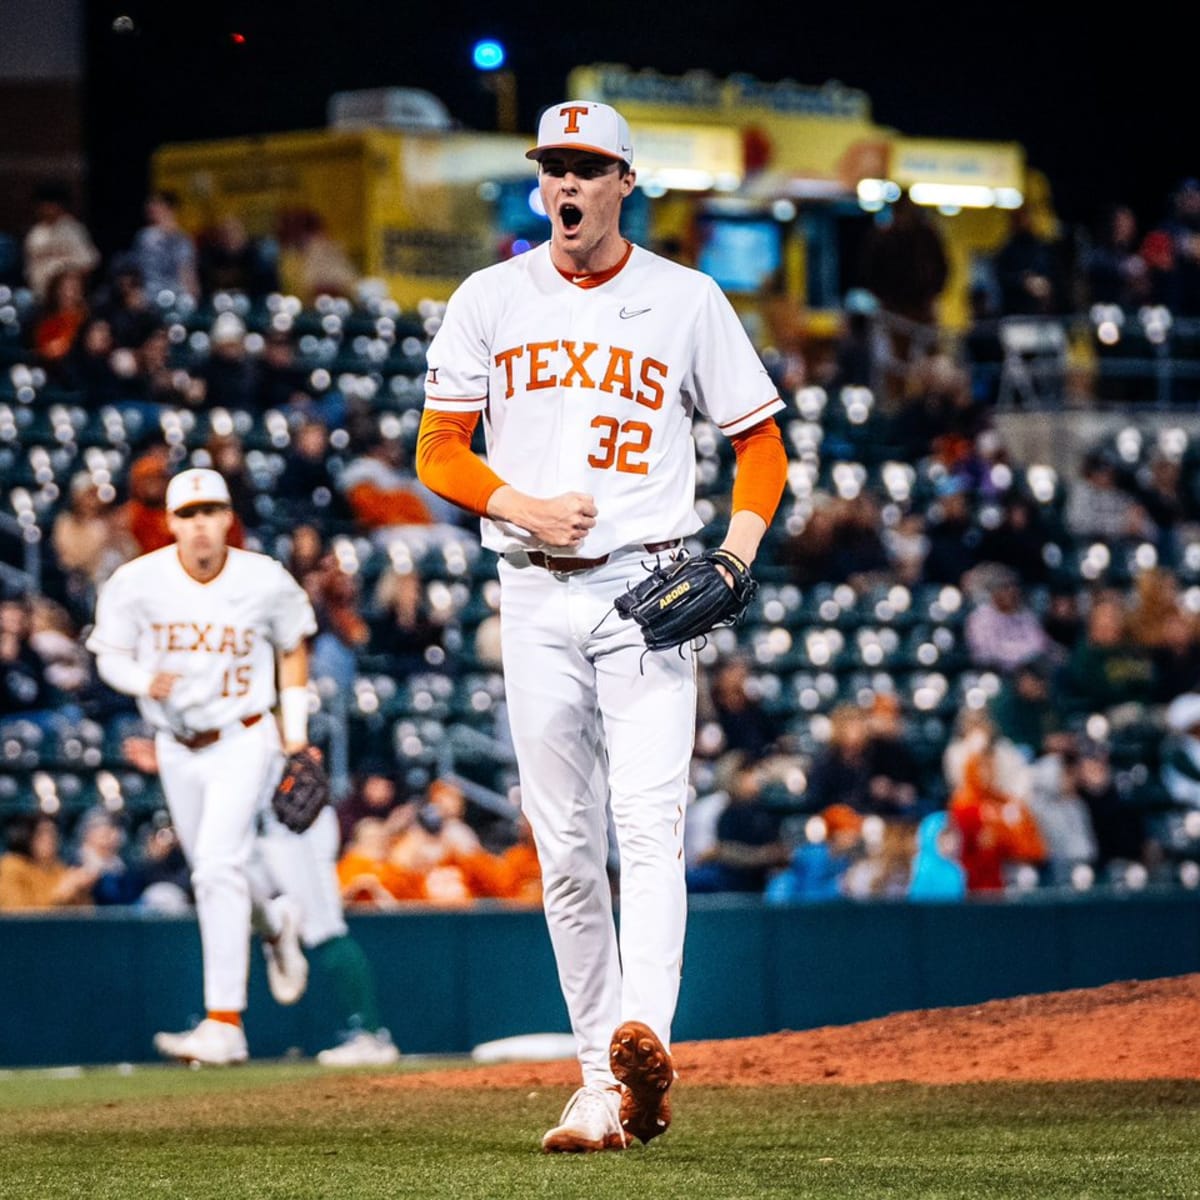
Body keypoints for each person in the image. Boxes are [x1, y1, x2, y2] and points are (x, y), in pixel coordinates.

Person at [414, 100, 787, 1153]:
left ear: (627, 182)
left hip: (651, 590)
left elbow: (761, 447)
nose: (566, 186)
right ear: (540, 184)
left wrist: (736, 552)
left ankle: (643, 1041)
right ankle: (597, 1083)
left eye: (588, 168)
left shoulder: (687, 299)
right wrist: (516, 504)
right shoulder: (490, 296)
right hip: (531, 587)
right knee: (568, 849)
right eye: (554, 169)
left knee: (648, 825)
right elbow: (438, 450)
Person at [85, 467, 319, 1066]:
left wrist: (295, 735)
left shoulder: (263, 579)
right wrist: (142, 679)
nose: (199, 525)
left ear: (227, 518)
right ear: (170, 522)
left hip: (244, 736)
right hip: (175, 746)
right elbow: (108, 654)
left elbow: (294, 645)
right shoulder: (138, 582)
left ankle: (223, 1022)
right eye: (187, 514)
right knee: (220, 869)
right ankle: (276, 921)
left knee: (216, 865)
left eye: (210, 511)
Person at [0, 813, 97, 911]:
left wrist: (81, 891)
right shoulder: (11, 866)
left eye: (53, 834)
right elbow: (16, 915)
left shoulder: (59, 868)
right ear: (27, 836)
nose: (50, 840)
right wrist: (60, 894)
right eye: (41, 834)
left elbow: (85, 916)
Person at [22, 183, 99, 301]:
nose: (46, 208)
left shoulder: (72, 229)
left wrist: (61, 270)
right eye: (43, 205)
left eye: (51, 204)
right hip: (38, 294)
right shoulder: (35, 233)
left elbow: (89, 262)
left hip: (66, 297)